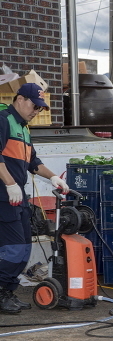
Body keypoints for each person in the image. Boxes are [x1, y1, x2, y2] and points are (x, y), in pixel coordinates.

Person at [0, 83, 69, 314]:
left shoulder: (24, 128)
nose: (36, 112)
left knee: (24, 249)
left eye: (40, 109)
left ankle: (7, 292)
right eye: (34, 106)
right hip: (4, 196)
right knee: (14, 249)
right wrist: (10, 184)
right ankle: (1, 293)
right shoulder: (3, 120)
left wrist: (53, 178)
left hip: (17, 197)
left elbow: (33, 162)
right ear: (19, 99)